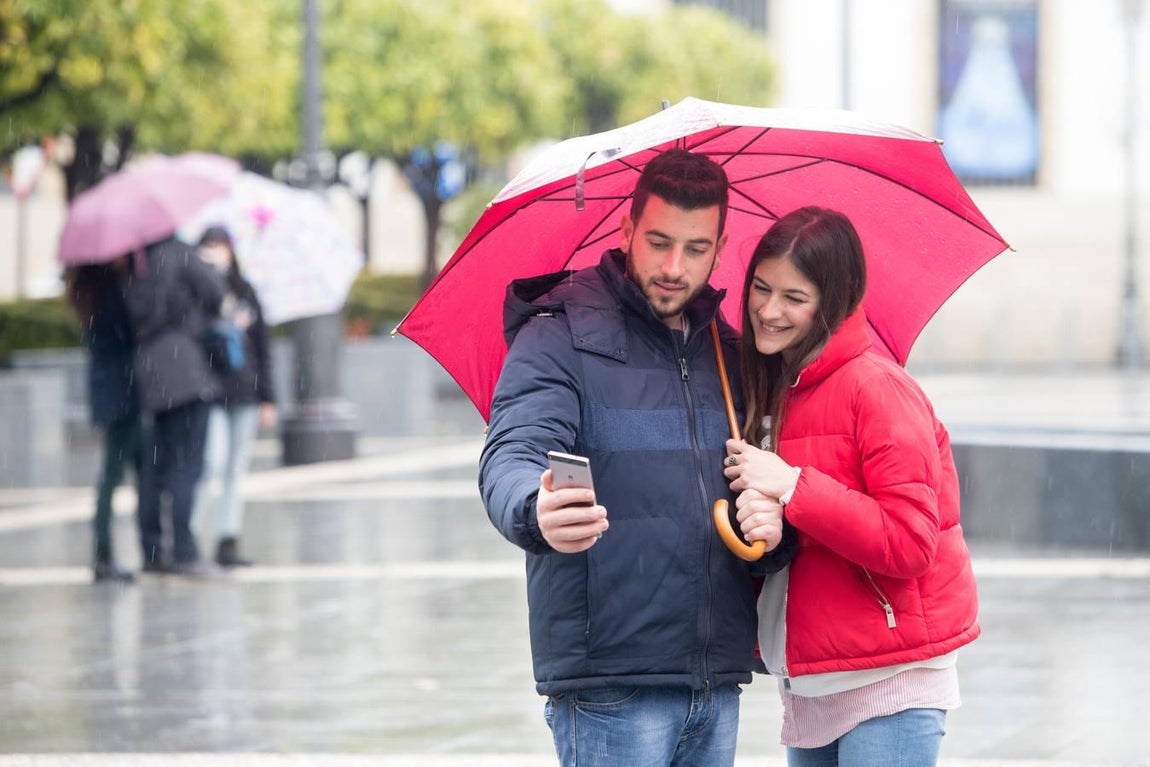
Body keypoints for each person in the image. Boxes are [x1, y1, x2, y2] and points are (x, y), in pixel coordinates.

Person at [478, 149, 794, 767]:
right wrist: (533, 507)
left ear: (720, 248)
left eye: (695, 249)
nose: (674, 267)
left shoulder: (732, 354)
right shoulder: (558, 333)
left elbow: (765, 486)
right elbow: (512, 451)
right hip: (610, 687)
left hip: (715, 682)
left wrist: (776, 528)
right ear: (626, 231)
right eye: (658, 242)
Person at [722, 207, 980, 766]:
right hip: (813, 680)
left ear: (832, 302)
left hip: (891, 677)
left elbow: (910, 543)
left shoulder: (878, 389)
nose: (769, 310)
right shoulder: (774, 392)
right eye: (761, 288)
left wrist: (793, 486)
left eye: (794, 297)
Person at [123, 236, 227, 578]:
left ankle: (153, 551)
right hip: (186, 370)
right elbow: (216, 294)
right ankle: (185, 551)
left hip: (150, 372)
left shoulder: (135, 261)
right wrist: (213, 270)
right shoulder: (179, 252)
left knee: (156, 468)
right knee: (187, 465)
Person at [191, 226, 276, 567]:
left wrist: (268, 397)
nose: (216, 252)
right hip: (210, 390)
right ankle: (189, 536)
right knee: (211, 462)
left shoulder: (245, 291)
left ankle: (228, 538)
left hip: (244, 390)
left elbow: (262, 347)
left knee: (235, 467)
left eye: (221, 245)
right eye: (208, 246)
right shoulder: (196, 290)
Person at [65, 259, 145, 583]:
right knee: (120, 473)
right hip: (122, 392)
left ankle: (108, 553)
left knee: (116, 474)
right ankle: (106, 554)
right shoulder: (110, 293)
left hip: (109, 392)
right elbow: (129, 334)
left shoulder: (88, 293)